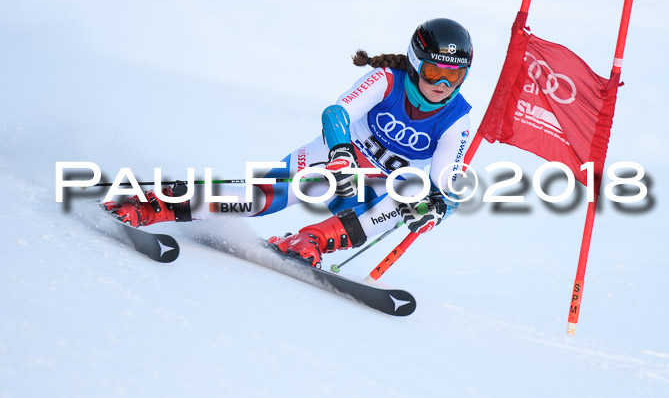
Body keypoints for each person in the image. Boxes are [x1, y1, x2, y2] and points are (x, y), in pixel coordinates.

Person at [104, 18, 473, 268]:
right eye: (432, 71)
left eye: (453, 74)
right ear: (415, 62)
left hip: (374, 188)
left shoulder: (457, 118)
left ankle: (307, 242)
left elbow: (446, 183)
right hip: (336, 161)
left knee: (412, 196)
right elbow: (336, 113)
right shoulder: (387, 80)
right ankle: (152, 204)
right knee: (261, 199)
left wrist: (437, 210)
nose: (442, 83)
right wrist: (341, 153)